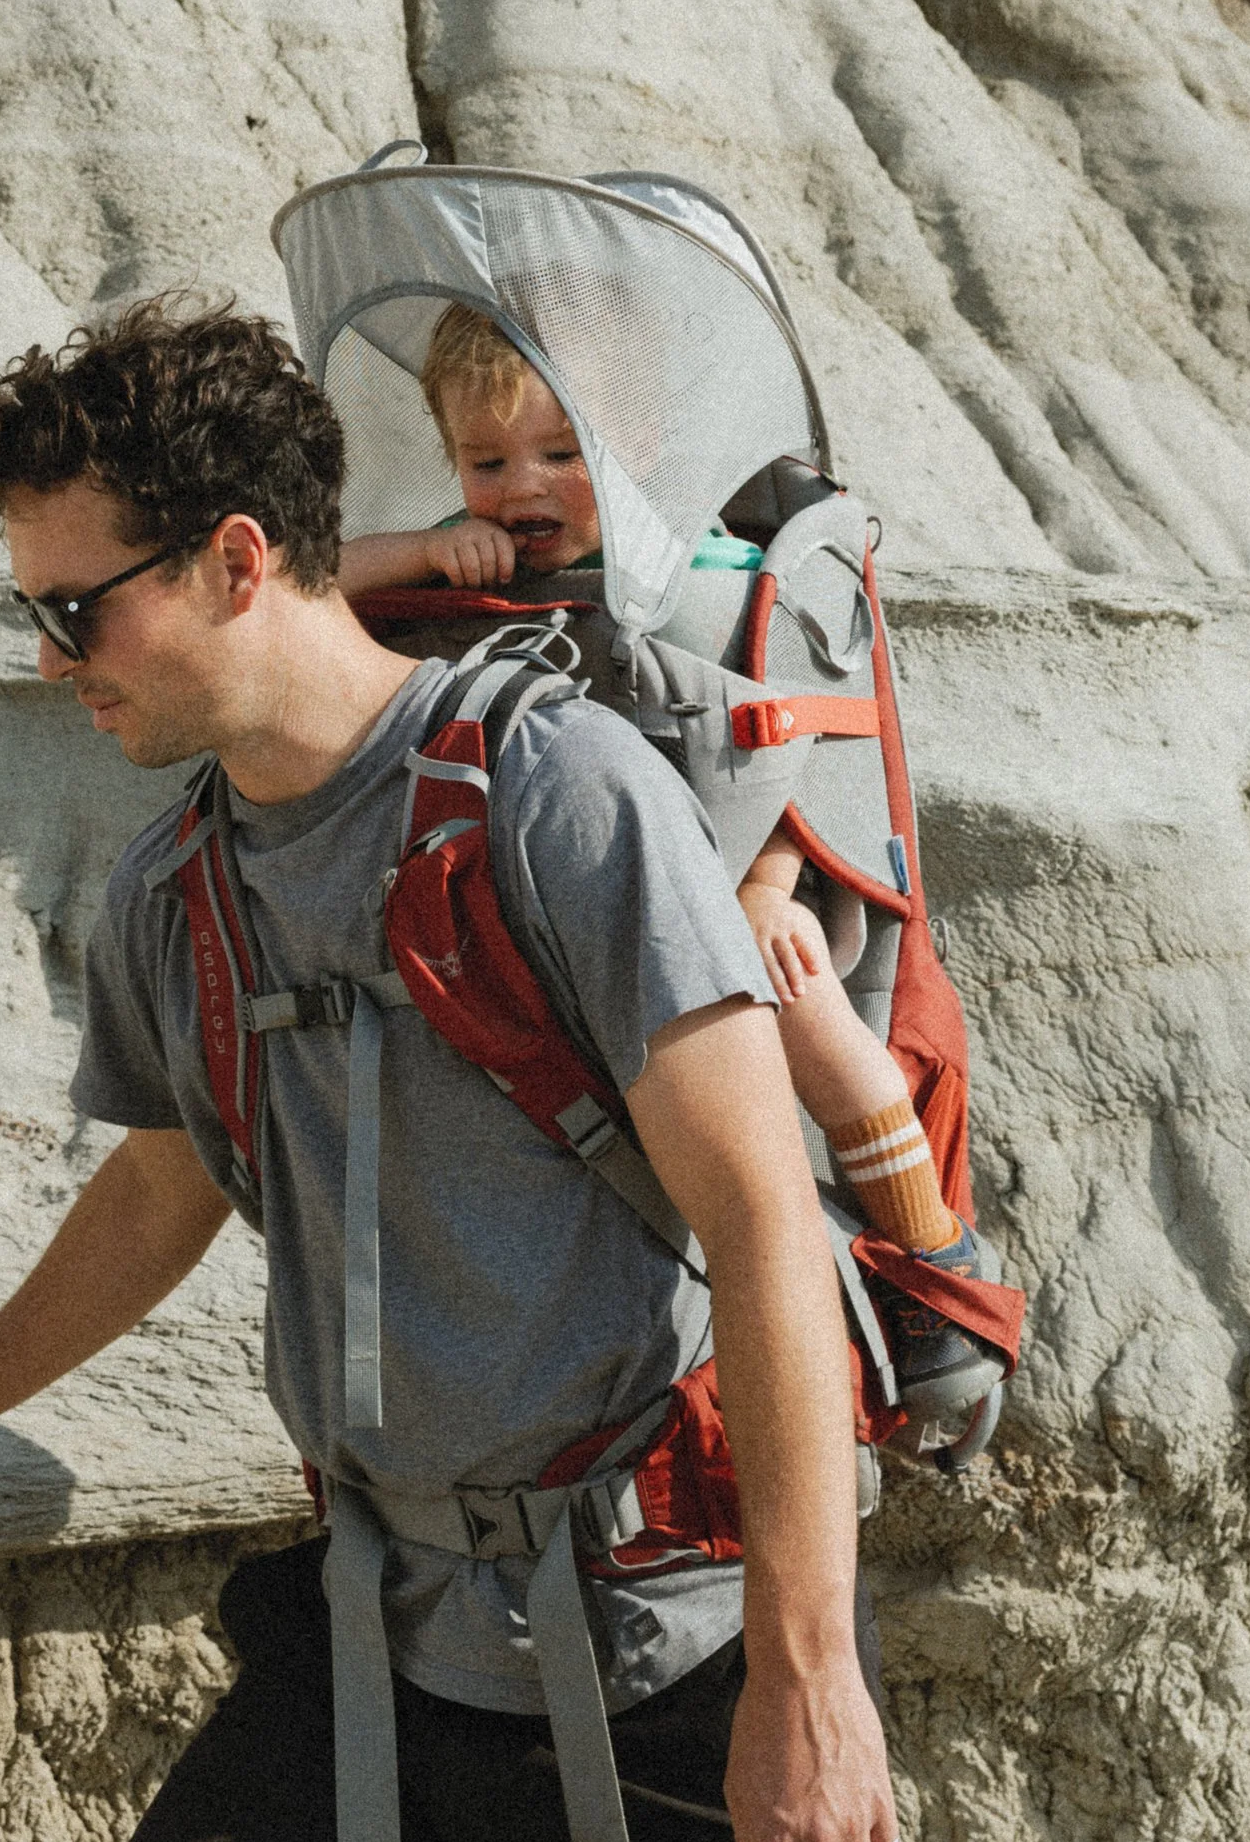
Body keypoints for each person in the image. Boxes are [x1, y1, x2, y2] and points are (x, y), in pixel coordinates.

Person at [0, 301, 897, 1842]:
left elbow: (758, 1217)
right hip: (383, 1637)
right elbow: (164, 1184)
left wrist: (808, 1679)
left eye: (76, 608)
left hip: (666, 1655)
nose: (46, 655)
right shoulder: (178, 890)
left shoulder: (558, 797)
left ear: (232, 558)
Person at [341, 310, 976, 1291]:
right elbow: (316, 595)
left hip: (742, 871)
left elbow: (788, 746)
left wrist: (768, 892)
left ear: (637, 443)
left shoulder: (700, 562)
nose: (523, 489)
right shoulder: (463, 551)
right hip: (556, 892)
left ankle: (932, 1258)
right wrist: (424, 558)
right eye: (486, 463)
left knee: (811, 1020)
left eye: (562, 451)